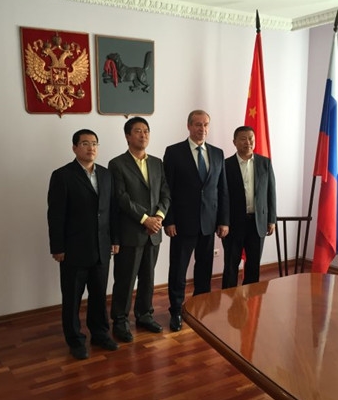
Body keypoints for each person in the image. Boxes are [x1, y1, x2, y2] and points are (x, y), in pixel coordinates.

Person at [47, 129, 119, 360]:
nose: (91, 148)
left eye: (94, 143)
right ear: (75, 148)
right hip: (74, 249)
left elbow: (112, 211)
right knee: (72, 299)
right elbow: (55, 215)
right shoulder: (62, 175)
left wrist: (115, 240)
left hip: (101, 247)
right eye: (85, 143)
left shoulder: (106, 175)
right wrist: (57, 247)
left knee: (99, 296)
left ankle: (100, 334)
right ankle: (75, 340)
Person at [163, 109, 229, 332]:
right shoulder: (174, 152)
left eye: (206, 124)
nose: (202, 129)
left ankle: (200, 308)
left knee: (204, 269)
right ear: (189, 126)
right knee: (178, 270)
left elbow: (222, 190)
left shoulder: (217, 154)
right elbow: (167, 189)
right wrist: (169, 220)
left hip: (209, 223)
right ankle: (176, 311)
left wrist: (223, 220)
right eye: (198, 124)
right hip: (181, 224)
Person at [108, 117, 171, 342]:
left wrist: (159, 217)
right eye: (137, 131)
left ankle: (144, 315)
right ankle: (120, 321)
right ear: (127, 136)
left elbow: (165, 193)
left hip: (154, 233)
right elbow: (121, 198)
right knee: (125, 280)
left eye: (146, 131)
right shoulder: (117, 164)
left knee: (148, 277)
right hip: (131, 232)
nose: (143, 135)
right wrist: (145, 219)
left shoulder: (157, 163)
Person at [222, 126, 276, 287]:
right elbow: (222, 196)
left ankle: (251, 298)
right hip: (234, 223)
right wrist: (222, 221)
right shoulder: (226, 165)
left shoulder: (265, 163)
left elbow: (271, 192)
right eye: (243, 139)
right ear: (234, 142)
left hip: (257, 222)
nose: (248, 142)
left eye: (251, 138)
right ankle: (228, 296)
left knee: (253, 265)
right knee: (231, 265)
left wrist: (271, 220)